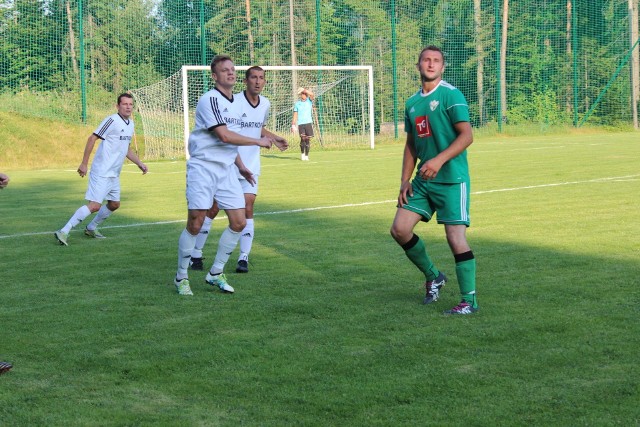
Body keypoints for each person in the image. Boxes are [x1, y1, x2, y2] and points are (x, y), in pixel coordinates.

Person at [174, 55, 287, 296]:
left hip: (227, 169)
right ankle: (181, 276)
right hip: (203, 168)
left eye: (233, 70)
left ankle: (215, 273)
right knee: (196, 220)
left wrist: (241, 165)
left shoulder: (236, 104)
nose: (231, 73)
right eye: (225, 71)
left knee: (239, 222)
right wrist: (258, 141)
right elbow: (224, 136)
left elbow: (232, 140)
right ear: (215, 76)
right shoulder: (210, 99)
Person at [389, 45, 478, 315]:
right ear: (418, 66)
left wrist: (438, 160)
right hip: (423, 181)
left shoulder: (452, 95)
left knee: (455, 238)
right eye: (426, 60)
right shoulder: (412, 103)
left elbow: (467, 136)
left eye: (436, 61)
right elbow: (411, 145)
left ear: (442, 67)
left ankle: (469, 301)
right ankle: (433, 275)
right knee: (400, 229)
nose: (431, 64)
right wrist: (405, 181)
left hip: (452, 179)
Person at [54, 93, 148, 246]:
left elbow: (126, 148)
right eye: (125, 104)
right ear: (117, 106)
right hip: (101, 171)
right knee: (95, 205)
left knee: (114, 204)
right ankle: (64, 231)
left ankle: (91, 228)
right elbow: (92, 138)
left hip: (114, 174)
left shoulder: (130, 124)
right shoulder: (111, 120)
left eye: (131, 104)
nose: (128, 107)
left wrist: (139, 163)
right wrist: (84, 163)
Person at [291, 87, 315, 161]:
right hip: (301, 123)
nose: (304, 95)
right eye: (303, 94)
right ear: (301, 95)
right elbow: (295, 114)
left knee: (307, 139)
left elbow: (312, 94)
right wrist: (293, 124)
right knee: (303, 138)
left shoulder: (309, 101)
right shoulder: (297, 104)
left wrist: (304, 90)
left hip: (308, 122)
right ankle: (302, 154)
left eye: (305, 94)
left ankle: (306, 155)